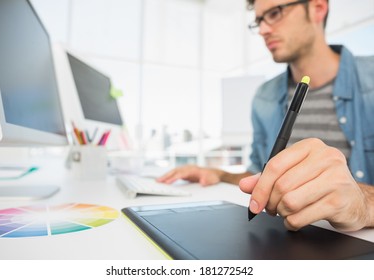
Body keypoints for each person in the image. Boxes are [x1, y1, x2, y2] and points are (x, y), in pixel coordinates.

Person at [157, 0, 374, 232]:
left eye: (274, 13)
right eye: (259, 20)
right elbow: (259, 174)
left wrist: (363, 204)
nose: (262, 30)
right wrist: (218, 174)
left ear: (318, 8)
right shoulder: (264, 96)